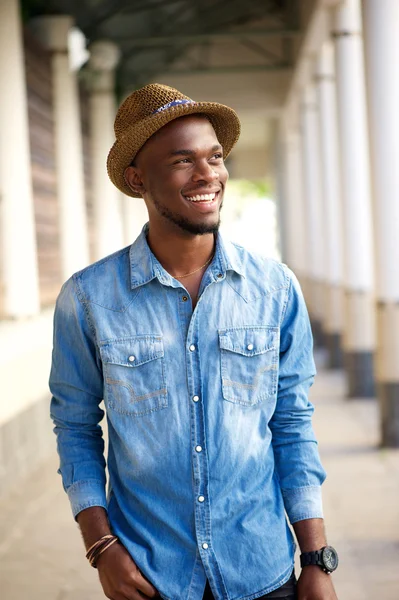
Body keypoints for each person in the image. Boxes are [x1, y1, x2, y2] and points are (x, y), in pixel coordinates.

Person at [49, 83, 338, 600]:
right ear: (138, 179)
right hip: (150, 576)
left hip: (262, 570)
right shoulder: (88, 298)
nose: (208, 174)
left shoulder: (274, 289)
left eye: (215, 157)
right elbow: (74, 425)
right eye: (183, 161)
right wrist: (101, 547)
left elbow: (291, 421)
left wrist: (316, 559)